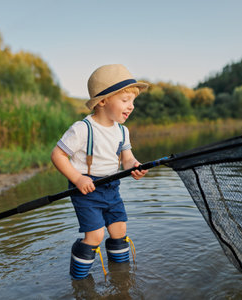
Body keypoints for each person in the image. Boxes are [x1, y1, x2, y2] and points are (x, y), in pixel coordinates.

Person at [51, 64, 149, 279]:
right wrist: (77, 178)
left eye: (133, 101)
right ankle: (79, 280)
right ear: (103, 101)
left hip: (112, 187)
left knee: (119, 231)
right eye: (125, 100)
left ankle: (121, 276)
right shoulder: (82, 129)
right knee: (94, 236)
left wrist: (133, 165)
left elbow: (127, 158)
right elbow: (57, 155)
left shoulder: (123, 131)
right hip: (86, 190)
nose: (131, 106)